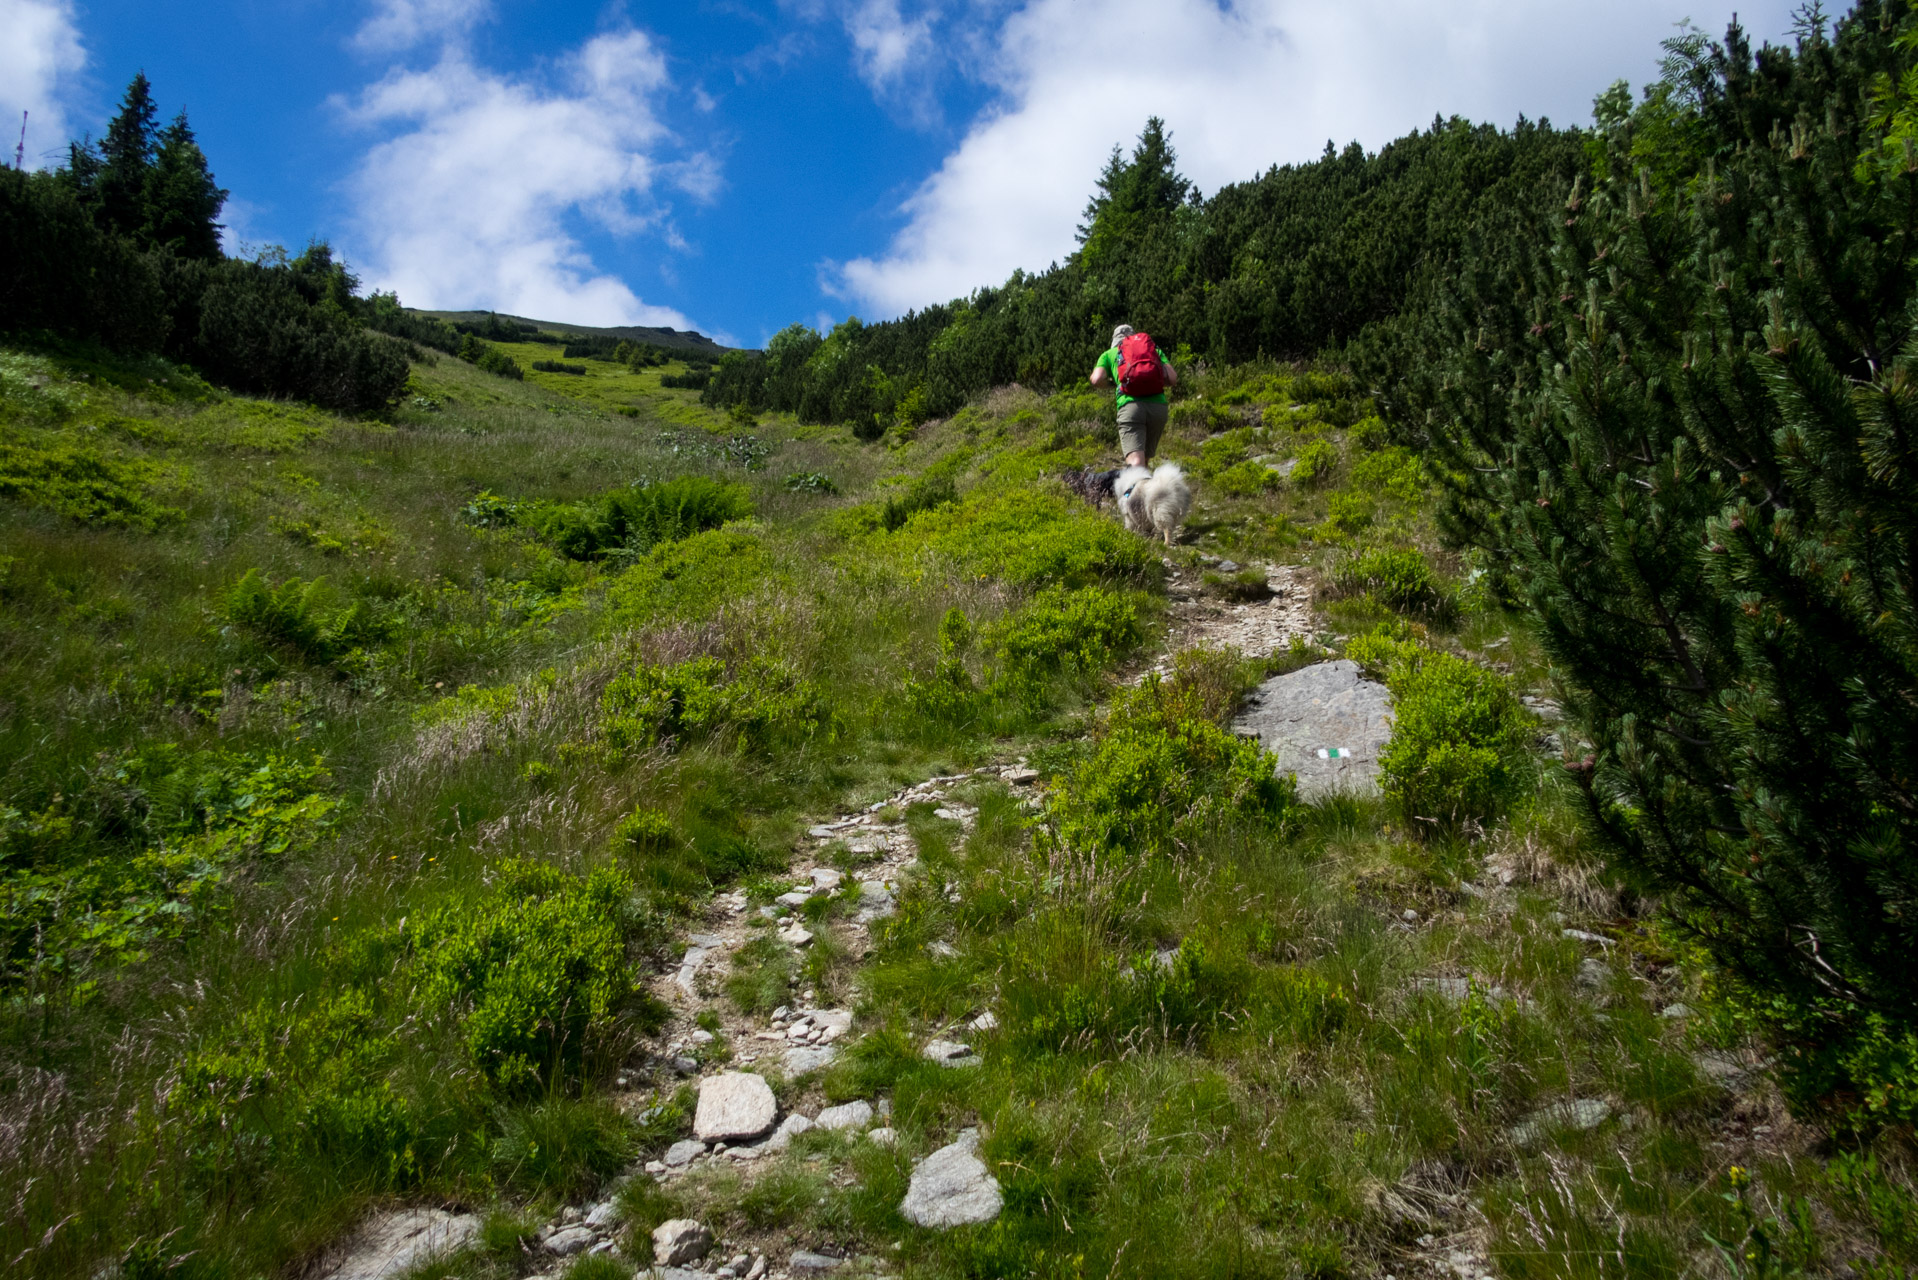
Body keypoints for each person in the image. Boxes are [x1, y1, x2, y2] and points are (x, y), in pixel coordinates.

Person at [1089, 324, 1178, 468]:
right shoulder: (1154, 351)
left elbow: (1096, 379)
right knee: (1145, 462)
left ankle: (1137, 489)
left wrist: (1113, 384)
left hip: (1131, 408)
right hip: (1158, 408)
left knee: (1136, 464)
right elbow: (1172, 379)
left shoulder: (1109, 353)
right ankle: (1147, 489)